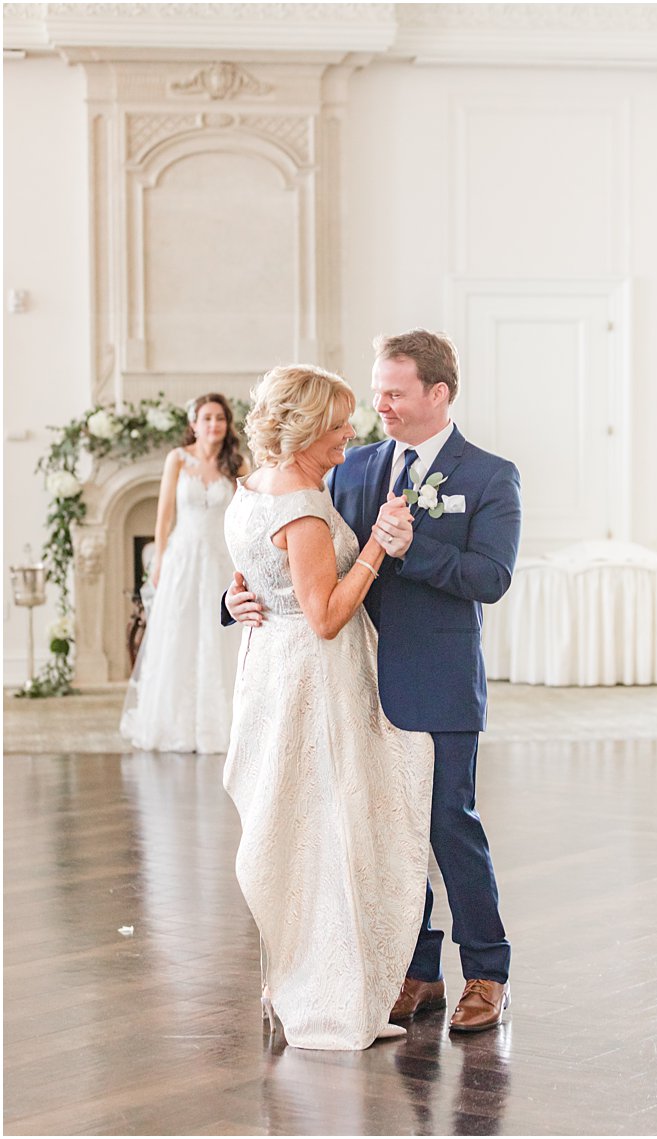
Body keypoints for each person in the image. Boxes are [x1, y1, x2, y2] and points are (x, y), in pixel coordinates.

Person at [228, 329, 522, 1033]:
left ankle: (486, 970)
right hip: (344, 682)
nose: (378, 407)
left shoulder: (489, 475)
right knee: (376, 827)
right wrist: (235, 597)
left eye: (393, 392)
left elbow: (492, 578)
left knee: (447, 825)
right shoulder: (352, 466)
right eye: (377, 389)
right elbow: (299, 553)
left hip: (435, 676)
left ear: (437, 393)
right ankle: (414, 969)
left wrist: (413, 549)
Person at [222, 364, 433, 1050]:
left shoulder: (251, 487)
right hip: (315, 681)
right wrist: (376, 540)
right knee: (330, 829)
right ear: (309, 428)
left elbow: (252, 571)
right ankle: (329, 994)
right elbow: (327, 615)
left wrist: (237, 596)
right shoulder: (304, 504)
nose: (351, 433)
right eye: (339, 423)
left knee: (294, 828)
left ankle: (293, 978)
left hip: (269, 675)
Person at [120, 393, 247, 753]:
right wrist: (159, 560)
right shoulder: (177, 459)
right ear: (193, 424)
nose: (213, 425)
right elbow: (163, 517)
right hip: (183, 558)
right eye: (206, 418)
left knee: (218, 634)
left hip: (222, 558)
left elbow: (247, 513)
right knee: (179, 632)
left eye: (219, 418)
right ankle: (174, 725)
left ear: (227, 424)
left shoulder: (238, 463)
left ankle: (220, 725)